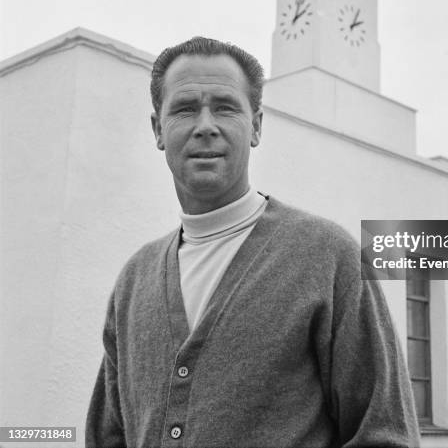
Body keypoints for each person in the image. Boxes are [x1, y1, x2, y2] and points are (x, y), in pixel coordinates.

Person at [86, 37, 420, 448]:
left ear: (257, 126)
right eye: (185, 109)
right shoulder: (133, 282)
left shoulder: (329, 257)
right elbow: (107, 437)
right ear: (158, 129)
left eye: (225, 107)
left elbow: (383, 433)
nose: (205, 125)